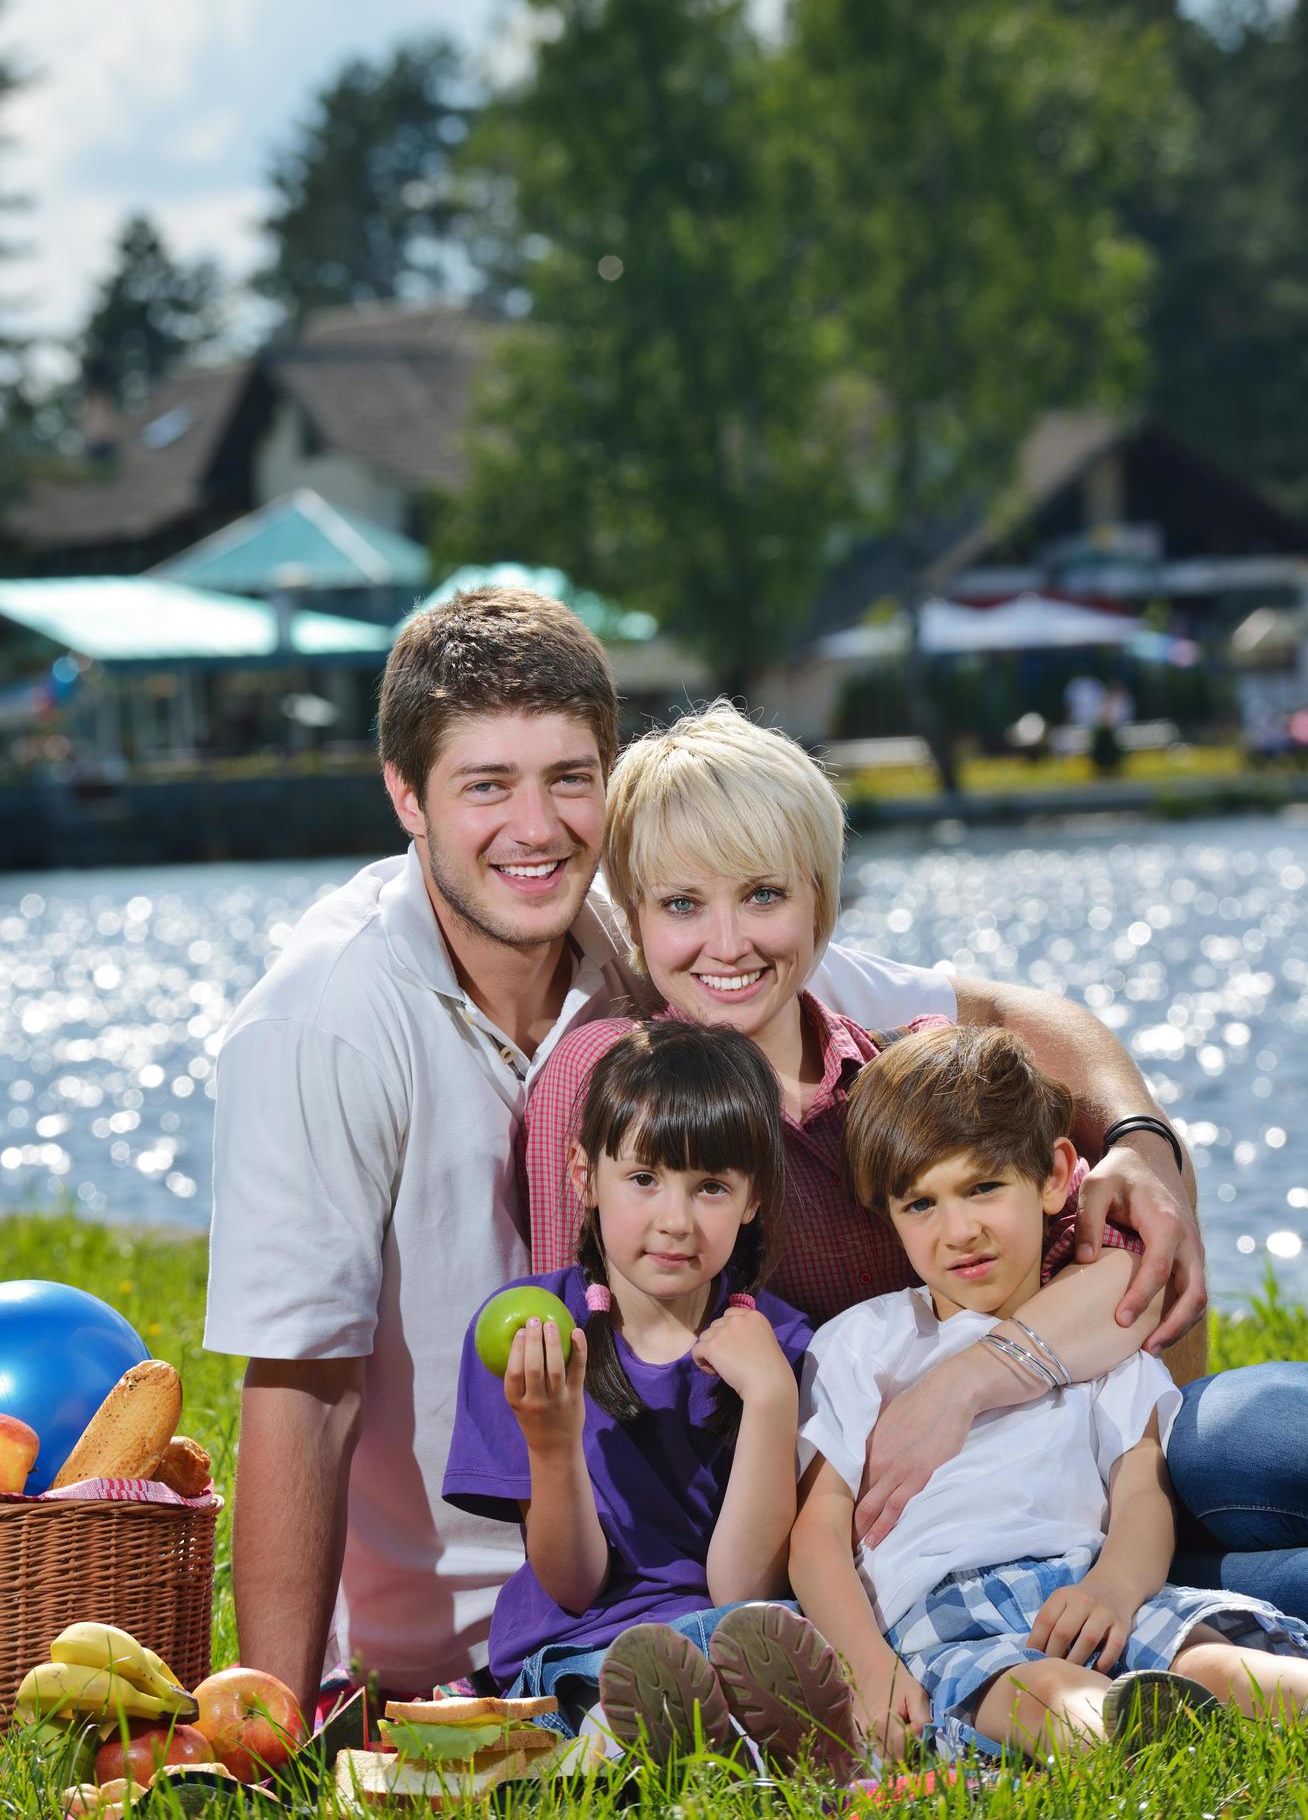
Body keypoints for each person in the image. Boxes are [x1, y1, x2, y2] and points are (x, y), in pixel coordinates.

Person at [204, 610, 1203, 1715]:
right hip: (575, 1588)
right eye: (486, 783)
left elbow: (1020, 1017)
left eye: (569, 778)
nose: (535, 826)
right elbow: (303, 1377)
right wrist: (267, 1716)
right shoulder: (334, 1021)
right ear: (406, 793)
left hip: (1029, 1491)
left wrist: (1139, 1145)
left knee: (1257, 1440)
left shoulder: (646, 932)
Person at [524, 702, 1308, 1614]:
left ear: (822, 896)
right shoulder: (621, 1089)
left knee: (1256, 1435)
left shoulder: (906, 1072)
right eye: (683, 904)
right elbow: (587, 1339)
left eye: (765, 895)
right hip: (911, 1562)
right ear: (638, 917)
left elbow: (1133, 1268)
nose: (728, 943)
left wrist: (963, 1384)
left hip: (1094, 1467)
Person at [789, 1024, 1308, 1762]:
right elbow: (816, 1536)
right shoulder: (860, 1345)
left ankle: (1247, 1701)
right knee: (1033, 1693)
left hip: (1087, 1587)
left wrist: (1115, 1589)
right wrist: (867, 1665)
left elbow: (1141, 1495)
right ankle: (1128, 1738)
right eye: (920, 1205)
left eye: (983, 1187)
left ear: (1057, 1175)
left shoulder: (1095, 1345)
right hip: (945, 1607)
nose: (958, 1230)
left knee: (1214, 1659)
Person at [443, 1020, 854, 1769]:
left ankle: (702, 1741)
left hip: (733, 1641)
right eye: (644, 1179)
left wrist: (768, 1400)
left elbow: (740, 1588)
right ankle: (652, 1738)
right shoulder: (535, 1334)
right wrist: (551, 1440)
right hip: (578, 1651)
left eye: (711, 1189)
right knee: (631, 1680)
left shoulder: (790, 1349)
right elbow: (571, 1586)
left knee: (754, 1644)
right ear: (582, 1179)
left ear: (753, 1199)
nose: (675, 1220)